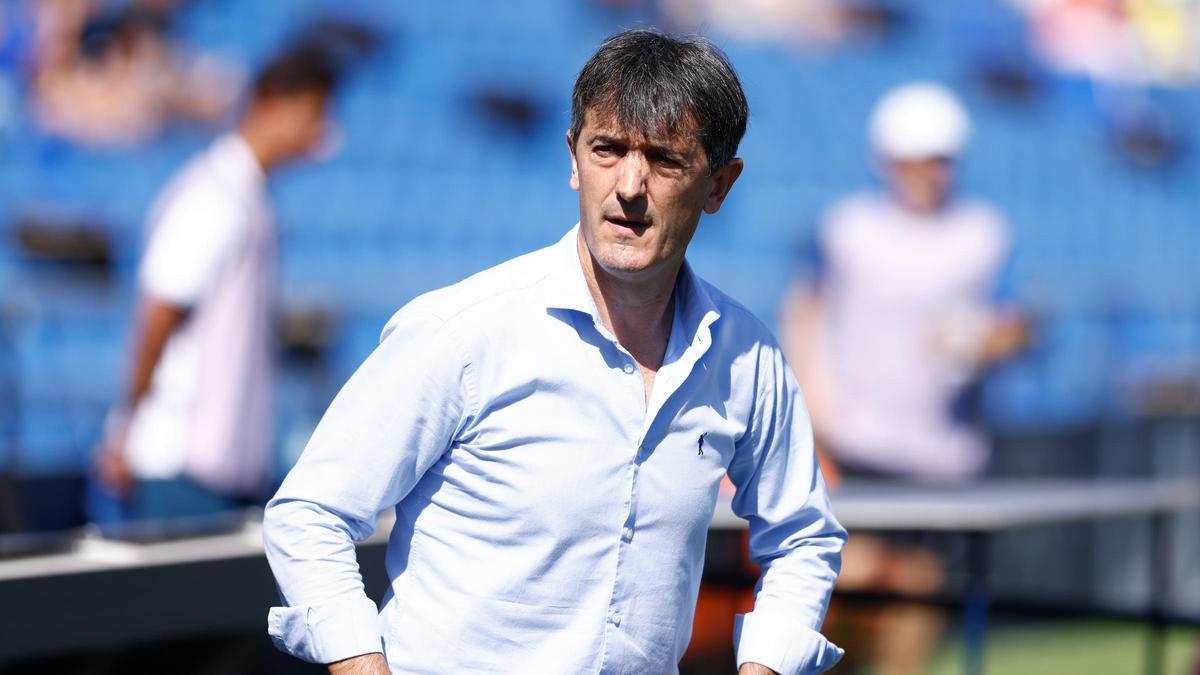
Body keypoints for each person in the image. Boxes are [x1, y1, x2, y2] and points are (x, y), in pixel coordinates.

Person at [264, 29, 845, 675]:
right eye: (607, 149)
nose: (629, 184)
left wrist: (763, 665)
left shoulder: (747, 356)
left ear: (719, 185)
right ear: (573, 158)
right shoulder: (464, 330)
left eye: (664, 159)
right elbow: (310, 512)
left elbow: (803, 536)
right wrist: (360, 660)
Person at [778, 82, 1026, 675]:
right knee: (843, 583)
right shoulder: (847, 229)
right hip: (858, 444)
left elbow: (1016, 324)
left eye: (936, 160)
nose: (925, 173)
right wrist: (811, 395)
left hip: (942, 456)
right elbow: (805, 306)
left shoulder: (984, 233)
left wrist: (991, 342)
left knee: (917, 599)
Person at [94, 49, 338, 521]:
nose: (322, 135)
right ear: (274, 103)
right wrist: (125, 430)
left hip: (223, 467)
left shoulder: (246, 194)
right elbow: (159, 312)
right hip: (181, 467)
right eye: (314, 115)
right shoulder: (213, 195)